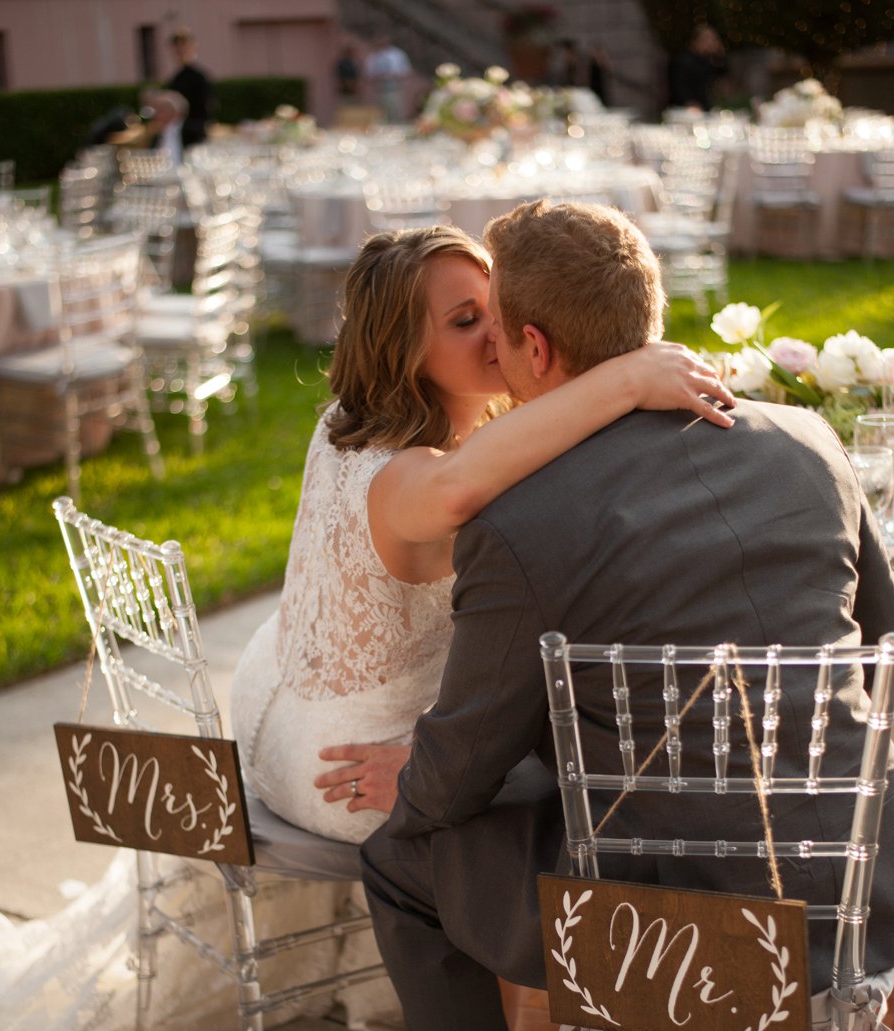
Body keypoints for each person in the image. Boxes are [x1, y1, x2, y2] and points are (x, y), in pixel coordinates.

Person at [357, 199, 894, 1031]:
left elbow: (464, 764)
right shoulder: (810, 443)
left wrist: (410, 787)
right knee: (696, 796)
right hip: (853, 893)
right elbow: (885, 635)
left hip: (661, 932)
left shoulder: (521, 520)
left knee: (401, 856)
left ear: (534, 346)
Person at [230, 223, 733, 852]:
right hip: (355, 769)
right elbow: (455, 490)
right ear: (404, 349)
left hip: (273, 703)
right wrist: (629, 378)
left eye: (494, 306)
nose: (498, 330)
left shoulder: (348, 419)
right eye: (466, 321)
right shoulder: (404, 476)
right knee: (594, 789)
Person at [166, 27, 215, 147]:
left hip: (193, 132)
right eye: (178, 48)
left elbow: (205, 109)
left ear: (193, 47)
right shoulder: (177, 77)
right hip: (178, 131)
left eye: (184, 47)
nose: (181, 51)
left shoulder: (199, 77)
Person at [667, 24, 728, 112]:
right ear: (696, 41)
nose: (710, 43)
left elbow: (723, 72)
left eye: (713, 40)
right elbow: (679, 86)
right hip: (683, 109)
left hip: (704, 108)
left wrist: (719, 54)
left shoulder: (708, 61)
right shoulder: (683, 61)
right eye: (707, 39)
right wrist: (689, 103)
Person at [363, 35, 412, 123]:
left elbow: (405, 72)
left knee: (395, 113)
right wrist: (378, 77)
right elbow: (368, 75)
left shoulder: (397, 54)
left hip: (394, 89)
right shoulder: (374, 56)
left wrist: (391, 76)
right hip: (379, 90)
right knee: (381, 117)